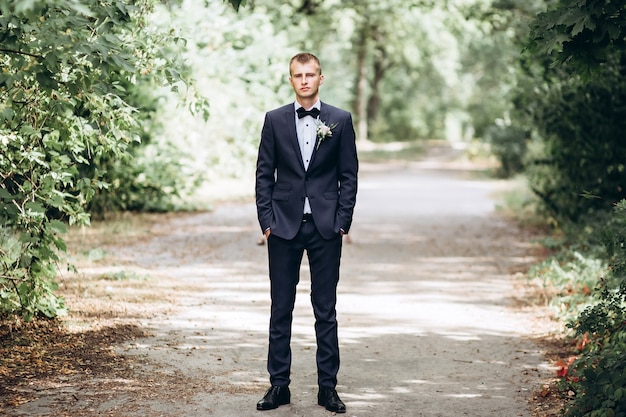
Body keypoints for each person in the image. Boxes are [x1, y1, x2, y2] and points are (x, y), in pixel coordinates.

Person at [254, 52, 358, 413]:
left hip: (325, 227)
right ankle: (278, 386)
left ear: (320, 78)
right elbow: (264, 175)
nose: (304, 80)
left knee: (325, 310)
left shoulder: (340, 121)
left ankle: (327, 388)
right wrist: (266, 222)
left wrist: (342, 221)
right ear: (290, 80)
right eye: (297, 75)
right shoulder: (274, 120)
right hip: (283, 226)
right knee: (280, 308)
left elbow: (349, 175)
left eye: (310, 74)